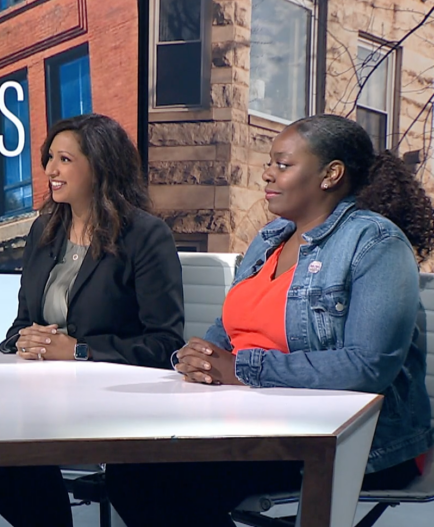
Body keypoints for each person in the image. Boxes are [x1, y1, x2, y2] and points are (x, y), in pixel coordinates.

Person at [107, 114, 434, 527]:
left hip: (354, 443)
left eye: (283, 164)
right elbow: (230, 326)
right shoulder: (270, 237)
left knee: (157, 481)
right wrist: (200, 357)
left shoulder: (377, 243)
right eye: (269, 163)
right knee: (131, 469)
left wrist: (242, 370)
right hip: (253, 419)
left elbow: (368, 365)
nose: (267, 173)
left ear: (330, 174)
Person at [0, 113, 186, 527]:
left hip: (114, 398)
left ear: (101, 166)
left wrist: (80, 352)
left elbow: (164, 345)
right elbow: (19, 324)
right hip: (43, 394)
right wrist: (24, 341)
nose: (50, 170)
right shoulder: (44, 229)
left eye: (65, 159)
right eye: (49, 158)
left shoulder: (145, 235)